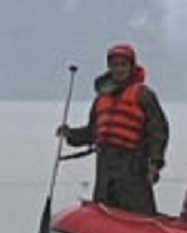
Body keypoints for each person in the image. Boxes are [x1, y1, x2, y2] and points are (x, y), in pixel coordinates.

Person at [57, 43, 169, 215]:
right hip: (105, 166)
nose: (119, 69)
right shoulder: (102, 98)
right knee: (105, 211)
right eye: (115, 65)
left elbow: (158, 131)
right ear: (109, 67)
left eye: (124, 65)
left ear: (132, 67)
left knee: (137, 212)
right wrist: (70, 134)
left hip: (133, 165)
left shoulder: (144, 95)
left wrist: (155, 163)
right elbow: (93, 131)